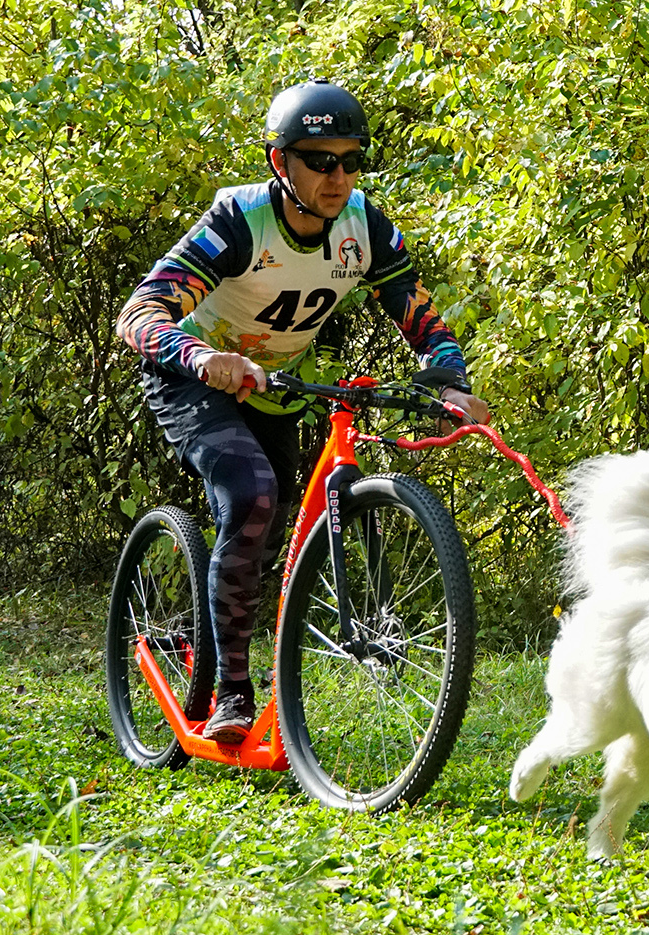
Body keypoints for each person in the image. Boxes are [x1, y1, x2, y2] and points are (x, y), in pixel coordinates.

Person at [116, 78, 488, 744]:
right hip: (193, 380)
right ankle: (232, 692)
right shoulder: (239, 221)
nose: (338, 175)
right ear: (279, 163)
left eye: (352, 159)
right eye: (320, 159)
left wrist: (450, 382)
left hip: (275, 388)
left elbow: (420, 316)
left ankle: (208, 626)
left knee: (274, 515)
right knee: (253, 497)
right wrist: (203, 359)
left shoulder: (363, 226)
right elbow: (139, 314)